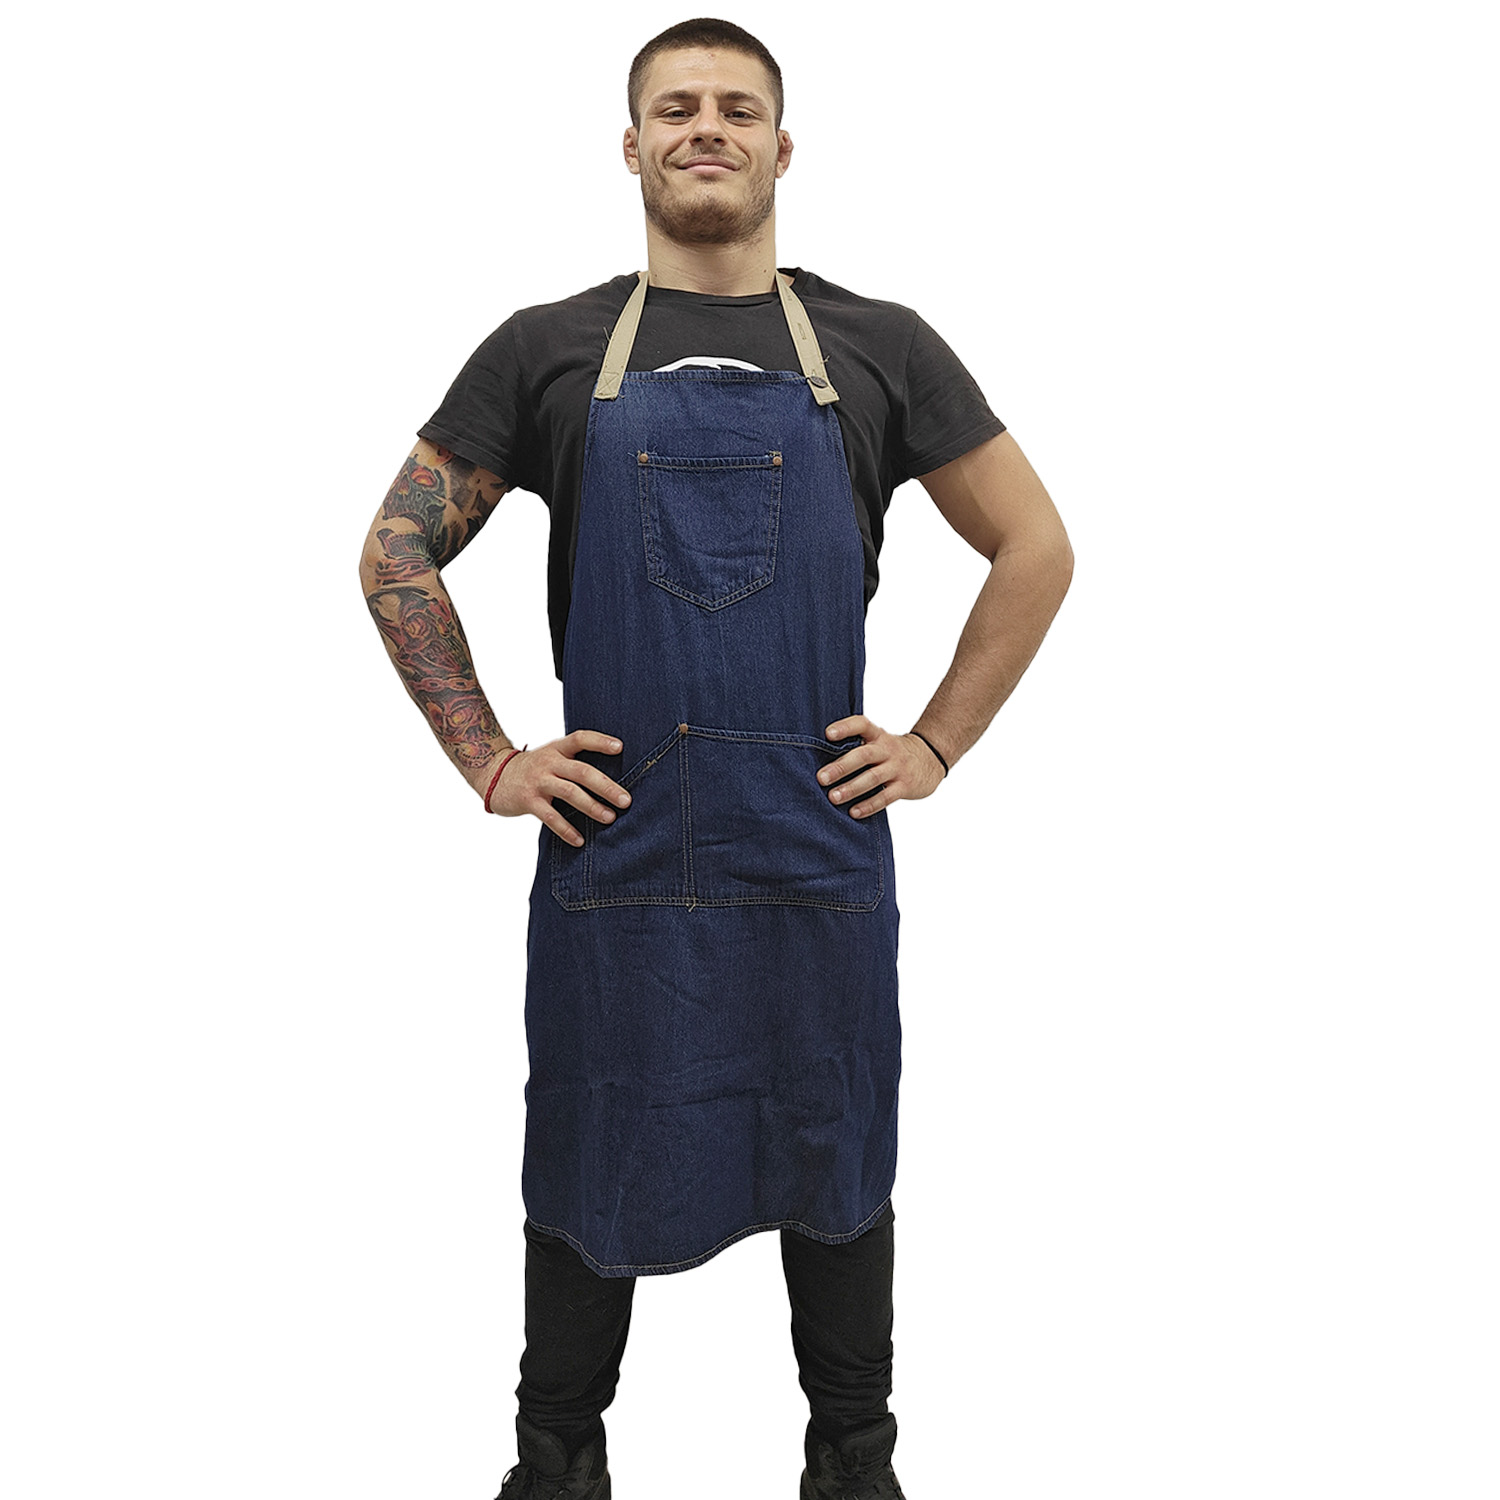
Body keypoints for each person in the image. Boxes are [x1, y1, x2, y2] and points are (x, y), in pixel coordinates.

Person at [359, 18, 1073, 1498]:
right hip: (616, 853)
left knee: (838, 1153)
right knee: (588, 1152)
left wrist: (936, 743)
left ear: (781, 148)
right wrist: (491, 760)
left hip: (814, 851)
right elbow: (396, 551)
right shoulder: (548, 349)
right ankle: (555, 1465)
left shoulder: (880, 346)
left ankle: (854, 1465)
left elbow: (1036, 547)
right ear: (630, 148)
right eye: (675, 107)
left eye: (737, 109)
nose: (706, 129)